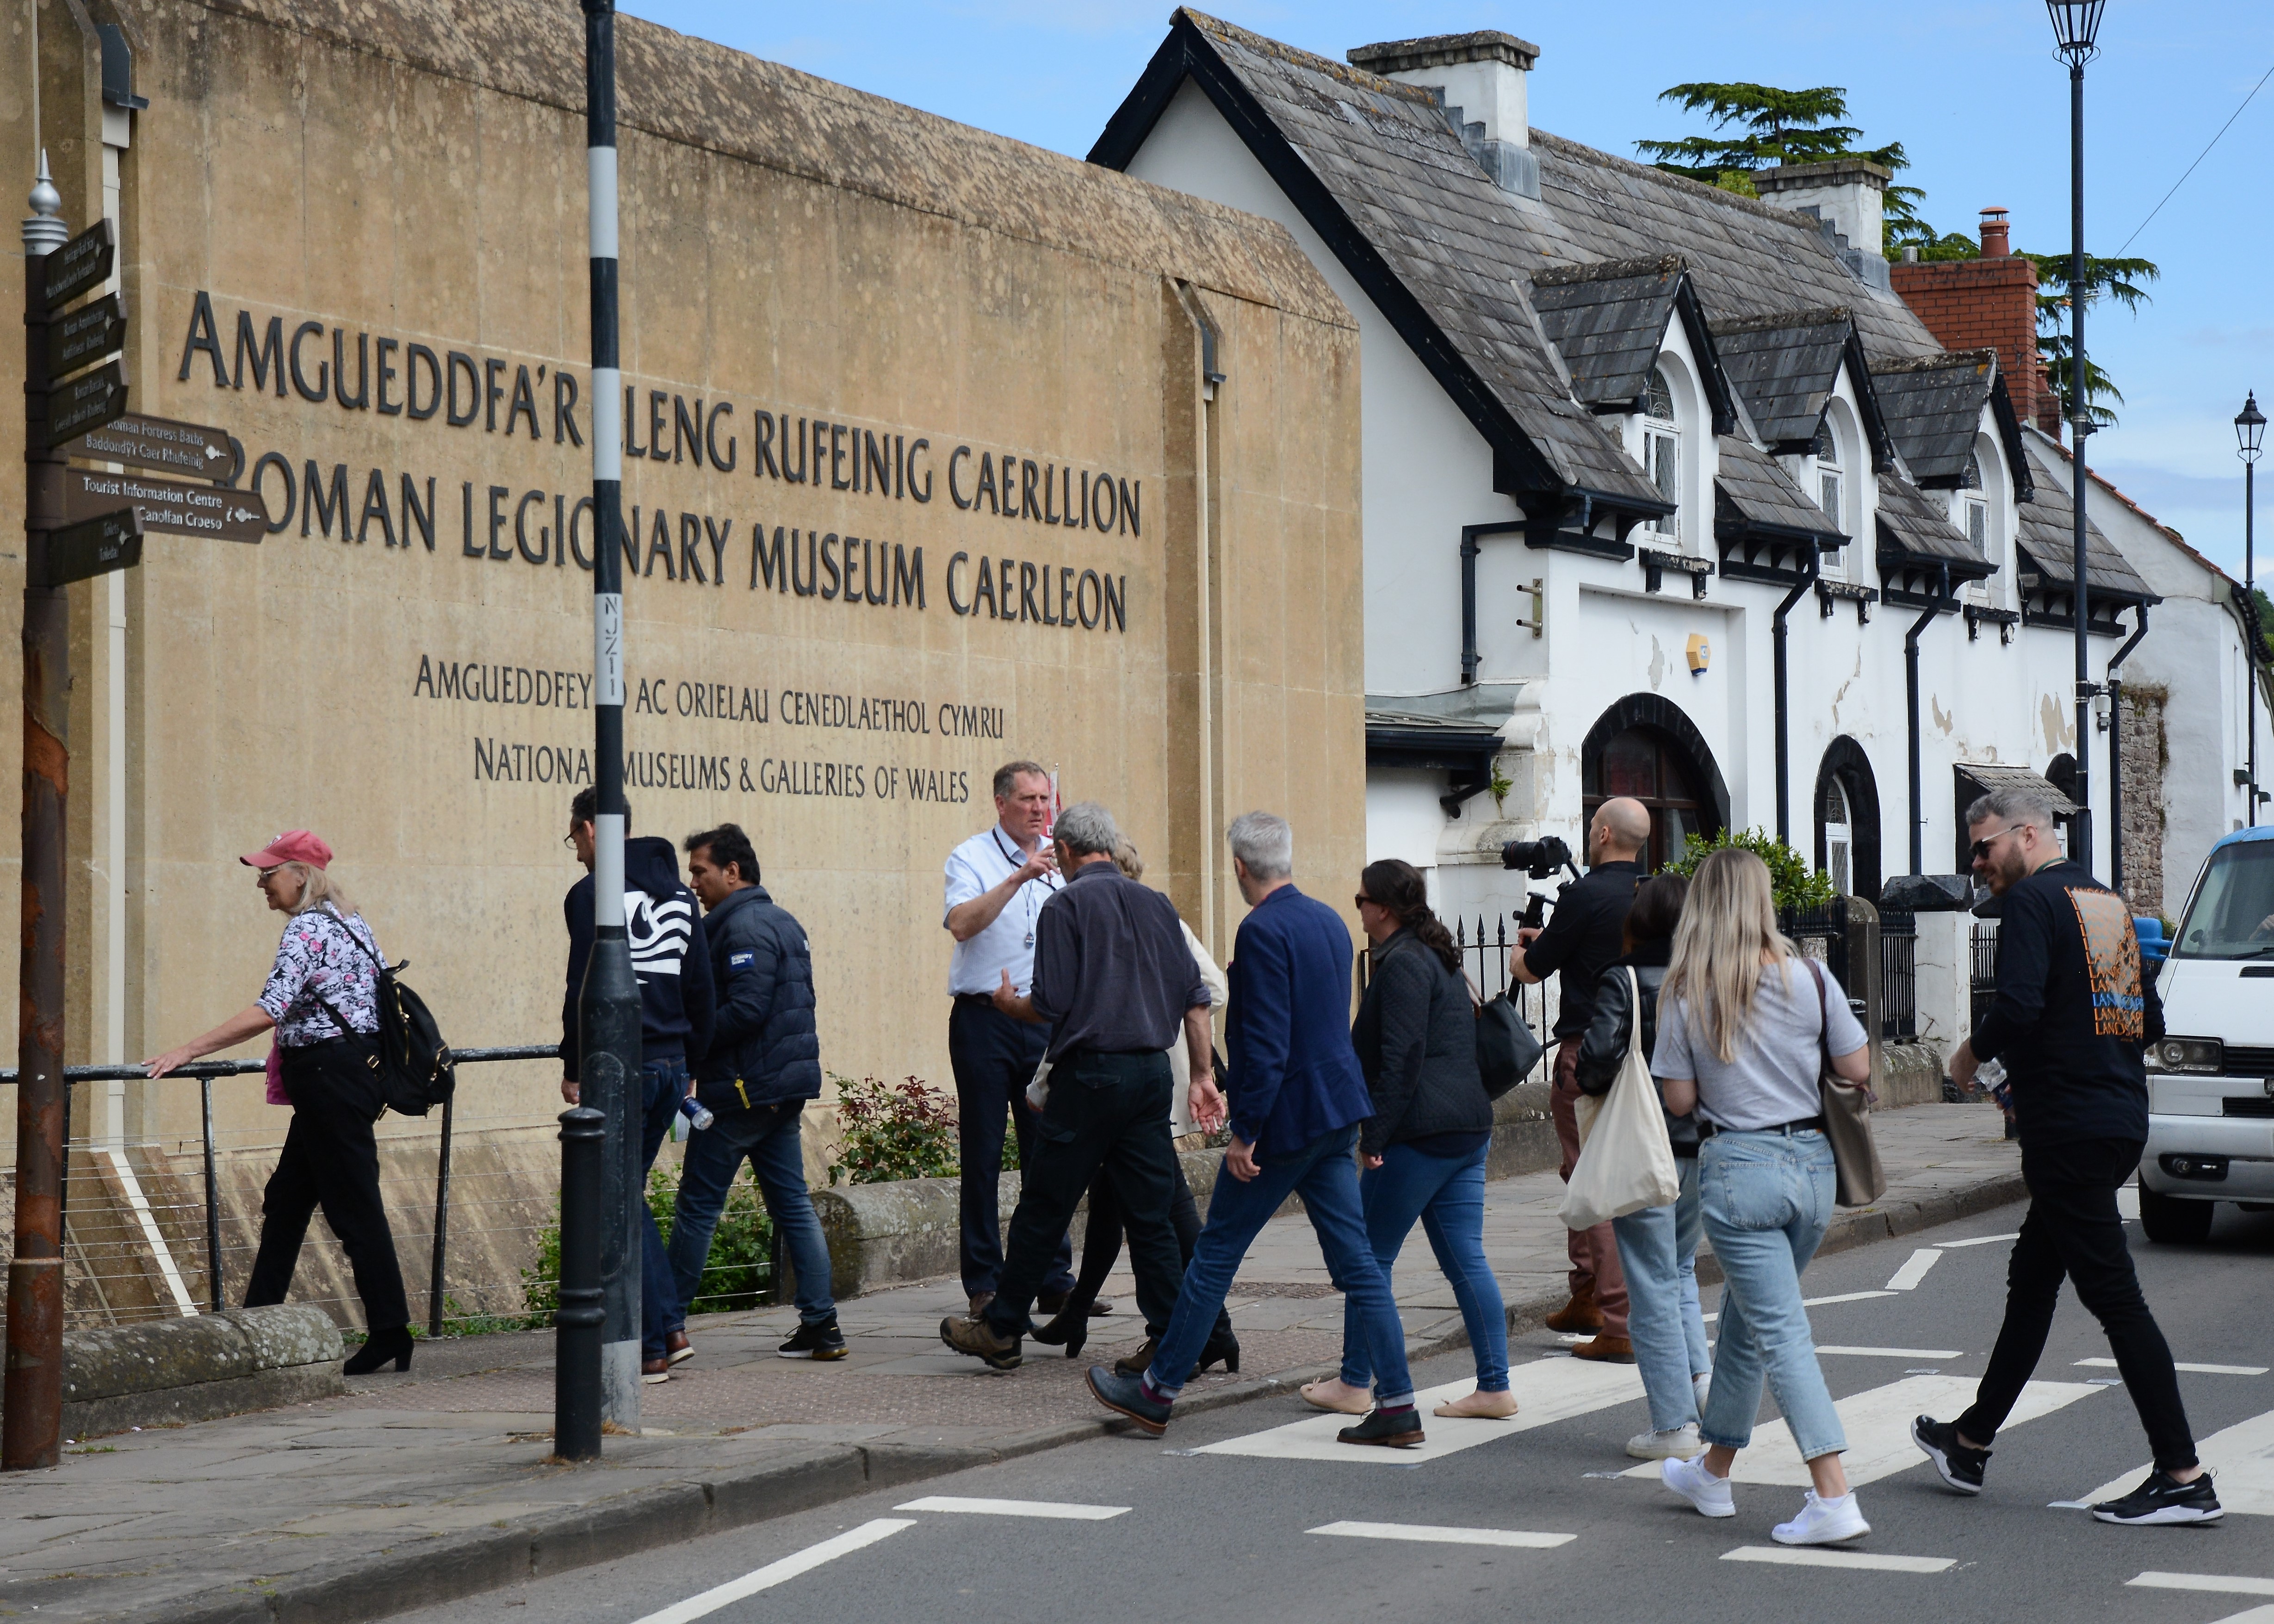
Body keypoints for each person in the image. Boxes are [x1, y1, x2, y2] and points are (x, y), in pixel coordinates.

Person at [1915, 791, 2218, 1526]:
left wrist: (1967, 1057)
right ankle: (1969, 1440)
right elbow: (2147, 1020)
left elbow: (2015, 1008)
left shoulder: (2030, 904)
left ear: (2027, 834)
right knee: (2031, 1281)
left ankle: (2182, 1475)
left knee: (2115, 1300)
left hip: (2069, 1129)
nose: (1976, 863)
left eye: (1983, 846)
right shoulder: (2105, 902)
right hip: (2114, 1116)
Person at [1086, 812, 1420, 1448]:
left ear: (1239, 867)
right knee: (1358, 1264)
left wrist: (1247, 1131)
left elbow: (1265, 1044)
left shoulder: (1261, 929)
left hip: (1285, 1120)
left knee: (1213, 1255)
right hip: (1334, 1112)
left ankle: (1155, 1393)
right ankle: (1399, 1402)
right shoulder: (1326, 919)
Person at [938, 802, 1215, 1373]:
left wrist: (1008, 1004)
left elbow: (1050, 1004)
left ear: (1063, 851)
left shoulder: (1066, 905)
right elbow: (1197, 998)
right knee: (1153, 1215)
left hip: (1090, 1075)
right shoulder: (1157, 904)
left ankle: (1002, 1327)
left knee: (1044, 1203)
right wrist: (1205, 1075)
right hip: (1150, 1076)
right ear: (1109, 847)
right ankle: (1170, 1337)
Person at [1651, 848, 1873, 1546]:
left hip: (1737, 1170)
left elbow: (1679, 1099)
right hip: (1812, 1170)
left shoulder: (1686, 991)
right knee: (1747, 1320)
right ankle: (1711, 1471)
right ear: (1761, 901)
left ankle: (1832, 1493)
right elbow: (1856, 1067)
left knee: (1779, 1331)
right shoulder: (1811, 976)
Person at [145, 831, 413, 1376]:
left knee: (354, 1208)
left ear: (300, 874)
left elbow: (270, 1008)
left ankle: (390, 1331)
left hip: (328, 1080)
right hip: (343, 1078)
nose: (261, 885)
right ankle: (258, 1320)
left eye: (268, 874)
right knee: (288, 1200)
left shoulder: (309, 929)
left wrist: (188, 1049)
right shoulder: (350, 923)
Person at [1300, 859, 1512, 1422]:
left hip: (1420, 1133)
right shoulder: (1436, 954)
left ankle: (1353, 1382)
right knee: (1466, 1258)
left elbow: (1401, 1059)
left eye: (1361, 900)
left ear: (1384, 909)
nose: (1359, 910)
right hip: (1468, 1127)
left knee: (1368, 1258)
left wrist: (1375, 1136)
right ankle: (1495, 1387)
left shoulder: (1402, 964)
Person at [1026, 837, 1232, 1366]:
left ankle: (1209, 1331)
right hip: (1141, 1082)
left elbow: (1208, 987)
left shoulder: (1147, 922)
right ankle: (1082, 1314)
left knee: (1162, 1212)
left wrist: (1166, 1029)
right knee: (1119, 1208)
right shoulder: (1136, 917)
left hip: (1129, 1081)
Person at [560, 788, 714, 1384]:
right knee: (626, 1194)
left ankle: (651, 1343)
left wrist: (574, 1063)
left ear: (591, 831)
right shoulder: (680, 895)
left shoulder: (589, 895)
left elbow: (583, 982)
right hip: (673, 1064)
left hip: (621, 1064)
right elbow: (701, 989)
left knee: (616, 1196)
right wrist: (692, 1065)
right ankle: (669, 1329)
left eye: (574, 837)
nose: (574, 850)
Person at [672, 823, 843, 1362]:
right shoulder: (781, 920)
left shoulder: (741, 928)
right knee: (792, 1204)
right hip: (778, 1092)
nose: (693, 882)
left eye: (700, 871)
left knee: (697, 1208)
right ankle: (822, 1325)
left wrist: (689, 1042)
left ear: (732, 871)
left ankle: (664, 1325)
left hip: (740, 1093)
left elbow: (747, 1009)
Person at [1576, 873, 1710, 1460]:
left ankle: (1673, 1425)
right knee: (1679, 1270)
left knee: (1650, 1284)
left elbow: (1597, 1061)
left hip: (1643, 1146)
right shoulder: (1709, 979)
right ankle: (1702, 1384)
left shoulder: (1624, 979)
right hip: (1703, 1147)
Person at [1510, 798, 1648, 1360]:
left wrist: (1524, 945)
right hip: (1640, 1050)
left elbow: (1531, 969)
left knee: (1591, 1181)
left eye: (1593, 827)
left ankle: (1614, 1319)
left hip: (1584, 1053)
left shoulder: (1585, 895)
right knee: (1597, 1176)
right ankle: (1586, 1295)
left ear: (1605, 834)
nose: (1589, 835)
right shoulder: (1649, 896)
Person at [942, 761, 1078, 1319]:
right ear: (1001, 803)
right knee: (982, 1152)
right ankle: (984, 1282)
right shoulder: (970, 857)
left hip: (1043, 1020)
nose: (1039, 809)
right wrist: (1019, 876)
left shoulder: (1066, 857)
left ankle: (1052, 1276)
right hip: (983, 1021)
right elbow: (962, 924)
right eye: (1027, 799)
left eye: (1044, 799)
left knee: (1048, 1153)